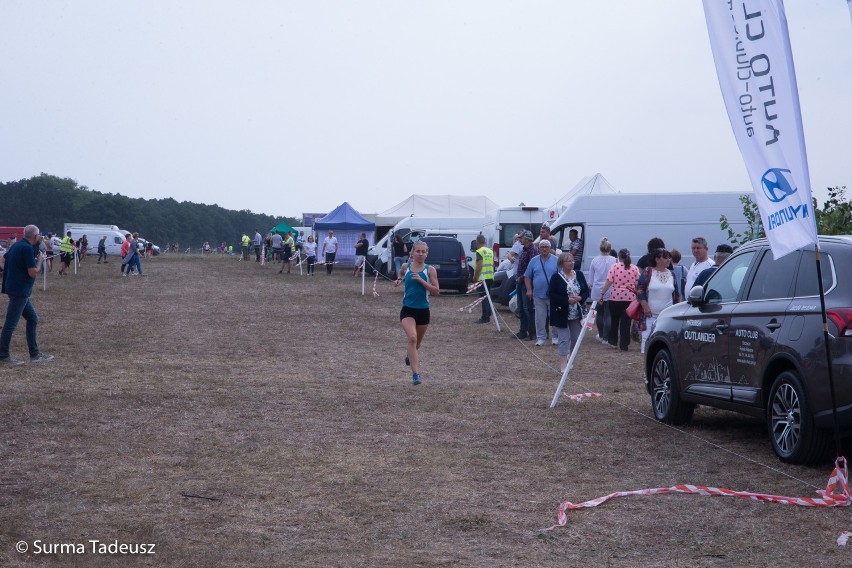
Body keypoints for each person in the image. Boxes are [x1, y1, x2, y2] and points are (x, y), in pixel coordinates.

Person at [0, 225, 53, 365]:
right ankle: (3, 355)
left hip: (14, 289)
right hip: (20, 291)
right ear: (35, 236)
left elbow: (3, 260)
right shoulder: (27, 248)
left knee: (33, 319)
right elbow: (33, 272)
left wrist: (13, 271)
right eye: (39, 236)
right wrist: (40, 259)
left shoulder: (16, 245)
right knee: (10, 324)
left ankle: (35, 354)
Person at [394, 240, 439, 386]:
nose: (420, 254)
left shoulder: (430, 270)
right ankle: (415, 374)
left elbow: (436, 291)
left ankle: (409, 355)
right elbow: (401, 274)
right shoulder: (406, 266)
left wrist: (421, 280)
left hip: (423, 311)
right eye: (418, 251)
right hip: (407, 309)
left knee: (417, 344)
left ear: (427, 254)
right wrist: (399, 280)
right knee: (412, 338)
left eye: (423, 252)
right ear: (412, 253)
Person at [549, 252, 590, 370]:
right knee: (564, 339)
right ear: (562, 263)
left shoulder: (580, 275)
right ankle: (562, 364)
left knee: (576, 338)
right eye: (568, 261)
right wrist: (566, 300)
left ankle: (570, 357)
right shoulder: (556, 277)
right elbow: (552, 294)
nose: (571, 263)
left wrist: (580, 298)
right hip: (561, 312)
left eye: (572, 260)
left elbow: (586, 291)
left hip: (577, 313)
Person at [636, 248, 680, 353]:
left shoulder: (672, 274)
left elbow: (676, 295)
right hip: (650, 315)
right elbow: (640, 289)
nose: (668, 260)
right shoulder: (648, 272)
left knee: (665, 342)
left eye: (669, 257)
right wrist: (645, 306)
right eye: (665, 257)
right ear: (657, 259)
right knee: (646, 340)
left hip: (667, 316)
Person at [599, 248, 640, 351]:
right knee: (626, 323)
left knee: (614, 320)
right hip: (629, 298)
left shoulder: (614, 267)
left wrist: (602, 294)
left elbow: (609, 282)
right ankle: (624, 344)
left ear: (619, 257)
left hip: (615, 297)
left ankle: (613, 341)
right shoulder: (634, 268)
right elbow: (638, 284)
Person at [524, 238, 557, 346]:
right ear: (539, 249)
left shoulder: (556, 260)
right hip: (538, 295)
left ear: (550, 248)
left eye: (546, 247)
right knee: (539, 318)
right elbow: (527, 276)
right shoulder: (534, 260)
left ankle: (555, 337)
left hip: (553, 295)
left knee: (554, 317)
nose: (544, 249)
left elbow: (562, 276)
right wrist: (529, 290)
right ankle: (541, 338)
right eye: (542, 247)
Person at [587, 237, 617, 344]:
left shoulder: (594, 260)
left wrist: (591, 287)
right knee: (608, 313)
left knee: (599, 313)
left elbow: (590, 279)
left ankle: (600, 334)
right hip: (610, 289)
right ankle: (606, 337)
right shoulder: (614, 260)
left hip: (597, 289)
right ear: (610, 248)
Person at [514, 231, 538, 340]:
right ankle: (522, 331)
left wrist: (521, 278)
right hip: (520, 282)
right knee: (522, 308)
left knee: (528, 308)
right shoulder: (524, 250)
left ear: (527, 239)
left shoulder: (532, 250)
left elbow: (530, 268)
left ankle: (532, 333)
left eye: (522, 238)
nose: (520, 239)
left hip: (526, 283)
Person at [472, 234, 494, 324]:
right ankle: (488, 314)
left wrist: (475, 277)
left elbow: (480, 264)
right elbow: (493, 264)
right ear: (484, 242)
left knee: (483, 298)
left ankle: (485, 317)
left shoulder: (479, 251)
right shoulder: (490, 251)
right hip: (490, 277)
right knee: (488, 297)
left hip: (482, 278)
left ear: (477, 242)